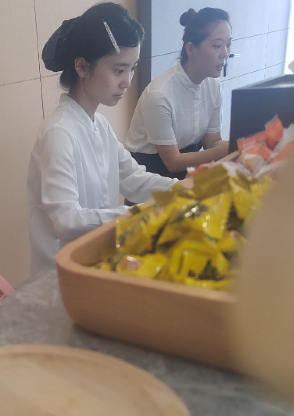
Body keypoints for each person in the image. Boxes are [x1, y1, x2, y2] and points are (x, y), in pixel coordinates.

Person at [27, 2, 177, 275]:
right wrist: (140, 213)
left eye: (132, 68)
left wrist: (184, 189)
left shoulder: (100, 126)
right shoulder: (58, 133)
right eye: (119, 70)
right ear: (82, 67)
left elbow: (135, 180)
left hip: (97, 263)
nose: (127, 81)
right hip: (61, 277)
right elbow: (66, 221)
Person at [125, 8, 231, 179]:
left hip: (186, 169)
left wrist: (244, 144)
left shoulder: (214, 85)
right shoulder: (159, 95)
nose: (225, 53)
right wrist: (230, 148)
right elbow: (173, 163)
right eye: (217, 45)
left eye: (228, 44)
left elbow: (212, 142)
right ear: (190, 49)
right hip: (150, 175)